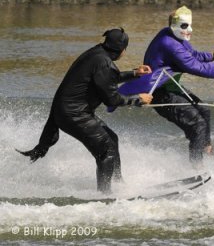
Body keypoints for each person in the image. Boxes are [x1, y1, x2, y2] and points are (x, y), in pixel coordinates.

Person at [17, 28, 153, 194]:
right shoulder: (104, 62)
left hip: (69, 112)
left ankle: (118, 184)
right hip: (74, 115)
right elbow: (112, 99)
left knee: (111, 138)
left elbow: (106, 78)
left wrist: (134, 73)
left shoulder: (96, 53)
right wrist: (139, 99)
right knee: (106, 150)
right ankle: (105, 196)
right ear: (122, 50)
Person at [139, 5, 214, 164]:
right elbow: (194, 66)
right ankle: (196, 168)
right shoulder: (168, 43)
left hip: (170, 87)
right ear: (174, 25)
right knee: (197, 126)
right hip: (159, 93)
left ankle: (207, 151)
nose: (189, 29)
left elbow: (193, 55)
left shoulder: (172, 35)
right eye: (184, 25)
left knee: (203, 109)